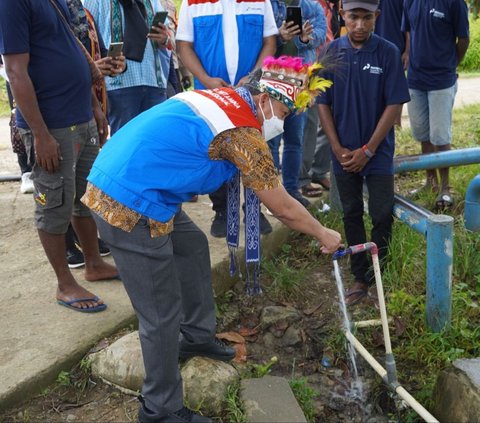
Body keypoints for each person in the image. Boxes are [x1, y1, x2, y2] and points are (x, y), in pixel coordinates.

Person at [82, 56, 341, 422]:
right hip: (127, 198)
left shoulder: (227, 97)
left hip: (142, 181)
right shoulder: (243, 133)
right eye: (284, 112)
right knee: (159, 312)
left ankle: (197, 335)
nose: (282, 122)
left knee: (192, 245)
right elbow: (282, 207)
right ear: (265, 98)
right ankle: (160, 409)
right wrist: (322, 231)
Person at [0, 0, 119, 313]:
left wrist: (94, 106)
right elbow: (15, 70)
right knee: (53, 204)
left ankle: (93, 263)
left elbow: (74, 52)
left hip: (80, 116)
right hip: (51, 126)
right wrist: (40, 134)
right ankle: (65, 283)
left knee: (85, 197)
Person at [317, 0, 410, 306]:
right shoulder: (331, 53)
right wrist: (336, 147)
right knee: (352, 212)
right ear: (342, 15)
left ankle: (381, 274)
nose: (359, 25)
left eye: (366, 18)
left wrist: (369, 149)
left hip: (378, 153)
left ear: (376, 17)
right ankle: (360, 277)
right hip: (343, 152)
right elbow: (323, 103)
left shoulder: (388, 52)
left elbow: (394, 103)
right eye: (353, 17)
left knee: (382, 214)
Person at [176, 0, 279, 238]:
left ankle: (255, 208)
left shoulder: (260, 2)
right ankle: (221, 210)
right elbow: (184, 46)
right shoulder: (193, 3)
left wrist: (253, 77)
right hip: (211, 92)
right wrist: (206, 78)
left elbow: (270, 42)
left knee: (256, 149)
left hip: (253, 91)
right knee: (218, 150)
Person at [402, 0, 469, 208]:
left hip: (441, 81)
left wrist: (450, 64)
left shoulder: (455, 3)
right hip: (415, 79)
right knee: (422, 133)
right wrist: (408, 53)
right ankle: (430, 182)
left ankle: (445, 187)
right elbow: (409, 30)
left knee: (440, 136)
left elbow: (463, 39)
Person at [268, 0, 327, 207]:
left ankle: (291, 191)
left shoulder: (312, 7)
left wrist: (304, 39)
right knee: (272, 140)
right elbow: (261, 39)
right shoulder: (267, 4)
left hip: (301, 81)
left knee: (295, 139)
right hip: (273, 79)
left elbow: (320, 33)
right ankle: (273, 194)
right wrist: (279, 36)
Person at [83, 0, 171, 135]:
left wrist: (164, 38)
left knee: (156, 142)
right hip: (118, 86)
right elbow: (86, 34)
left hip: (153, 81)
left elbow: (168, 39)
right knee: (124, 143)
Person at [374, 0, 407, 127]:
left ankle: (396, 123)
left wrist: (408, 51)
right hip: (373, 46)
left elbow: (409, 23)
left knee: (396, 88)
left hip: (397, 47)